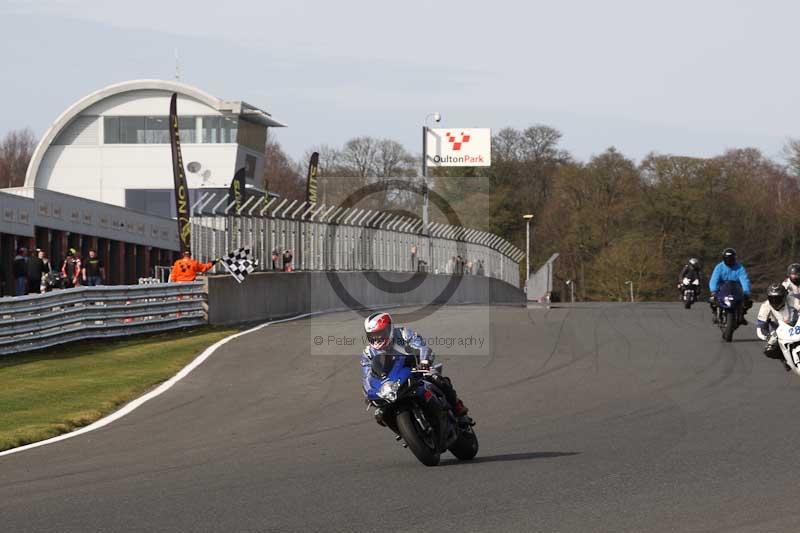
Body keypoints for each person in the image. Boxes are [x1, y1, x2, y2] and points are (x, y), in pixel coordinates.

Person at [360, 312, 469, 419]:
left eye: (380, 333)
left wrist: (424, 361)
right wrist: (369, 392)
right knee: (380, 414)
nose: (377, 338)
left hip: (415, 370)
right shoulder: (368, 353)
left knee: (437, 378)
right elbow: (367, 377)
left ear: (389, 329)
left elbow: (422, 346)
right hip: (391, 384)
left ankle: (456, 405)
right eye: (372, 335)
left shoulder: (403, 334)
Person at [756, 283, 797, 371]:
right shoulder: (765, 306)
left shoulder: (793, 300)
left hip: (795, 325)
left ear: (784, 296)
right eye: (772, 298)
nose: (775, 301)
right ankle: (784, 359)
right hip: (777, 329)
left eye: (778, 298)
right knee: (769, 350)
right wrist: (767, 337)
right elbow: (760, 327)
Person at [708, 248, 752, 325]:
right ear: (723, 258)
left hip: (735, 287)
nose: (729, 260)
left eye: (731, 259)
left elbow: (745, 280)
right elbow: (714, 279)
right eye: (727, 258)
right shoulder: (719, 267)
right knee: (712, 300)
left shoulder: (740, 268)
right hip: (722, 287)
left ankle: (741, 314)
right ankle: (715, 313)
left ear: (735, 258)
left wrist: (746, 292)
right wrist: (713, 290)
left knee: (747, 301)